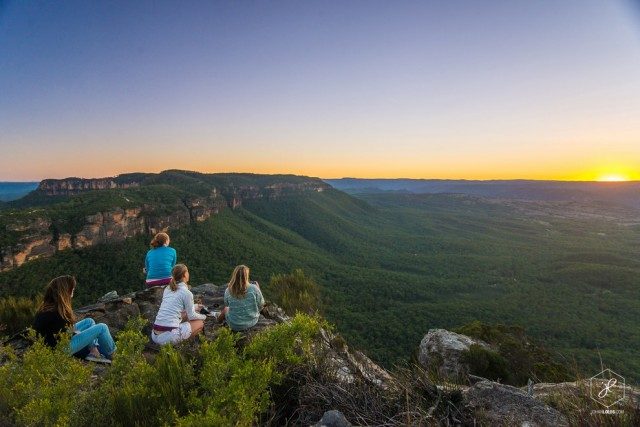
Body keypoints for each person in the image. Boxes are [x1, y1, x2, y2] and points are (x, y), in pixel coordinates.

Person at [32, 275, 116, 363]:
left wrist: (75, 333)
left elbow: (56, 332)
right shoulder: (56, 312)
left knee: (89, 322)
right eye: (72, 288)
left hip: (53, 344)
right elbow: (62, 337)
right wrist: (76, 333)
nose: (73, 290)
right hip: (59, 350)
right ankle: (114, 356)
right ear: (66, 290)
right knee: (102, 327)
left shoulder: (49, 307)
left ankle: (94, 352)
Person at [151, 264, 206, 345]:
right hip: (168, 338)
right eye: (187, 272)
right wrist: (204, 316)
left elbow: (176, 308)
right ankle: (180, 346)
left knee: (184, 314)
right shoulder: (187, 293)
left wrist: (195, 306)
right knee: (200, 323)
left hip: (154, 335)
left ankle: (179, 337)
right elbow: (192, 316)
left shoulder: (168, 289)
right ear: (184, 275)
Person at [217, 265, 264, 332]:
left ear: (234, 276)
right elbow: (261, 304)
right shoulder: (254, 288)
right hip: (252, 322)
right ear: (246, 276)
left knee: (226, 309)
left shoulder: (228, 290)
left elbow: (227, 304)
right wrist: (258, 289)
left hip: (234, 325)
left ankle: (218, 322)